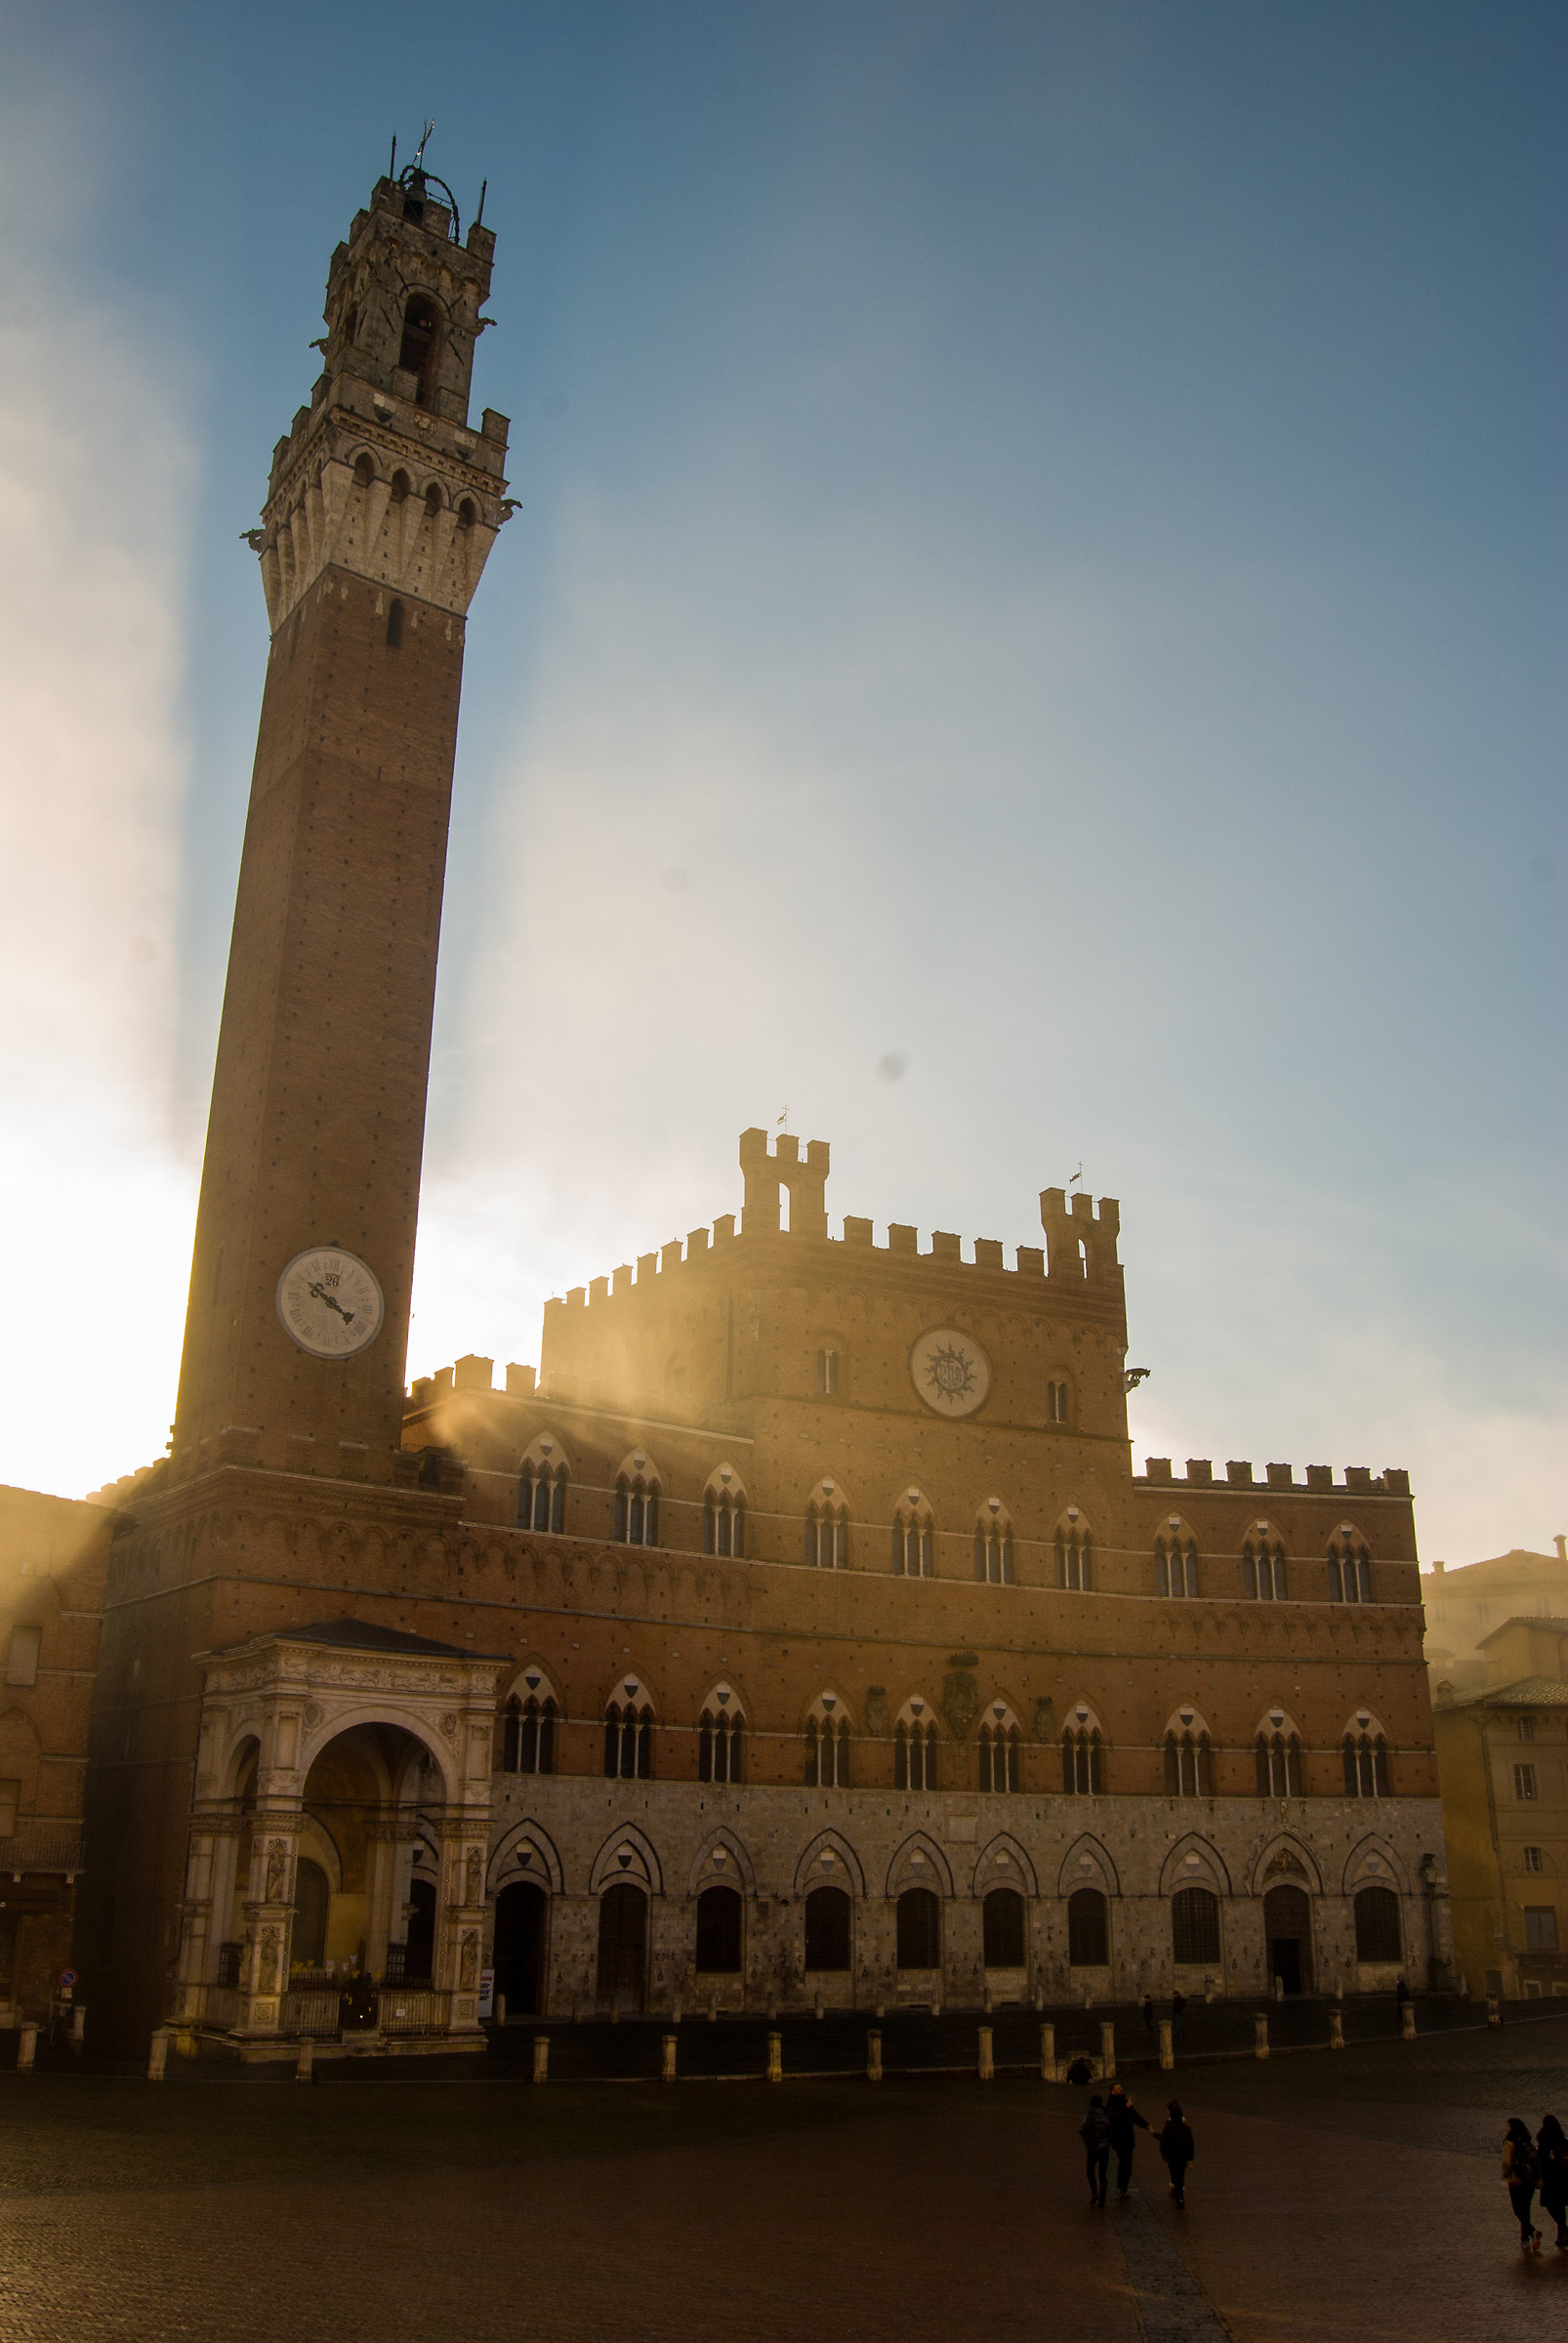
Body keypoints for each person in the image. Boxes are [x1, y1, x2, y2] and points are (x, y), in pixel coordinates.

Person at [1503, 2117, 1542, 2254]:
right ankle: (1525, 2239)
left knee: (1518, 2211)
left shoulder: (1509, 2142)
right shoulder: (1527, 2142)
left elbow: (1507, 2162)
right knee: (1525, 2209)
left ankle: (1532, 2232)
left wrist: (1505, 2174)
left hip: (1516, 2180)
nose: (1507, 2129)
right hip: (1529, 2181)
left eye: (1508, 2126)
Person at [1105, 2081, 1150, 2199]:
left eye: (1120, 2088)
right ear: (1112, 2091)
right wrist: (1126, 2108)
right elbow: (1113, 2118)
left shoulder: (1125, 2103)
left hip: (1128, 2138)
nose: (1120, 2090)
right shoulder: (1111, 2105)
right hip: (1118, 2139)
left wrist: (1146, 2125)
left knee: (1128, 2164)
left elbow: (1135, 2117)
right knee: (1124, 2162)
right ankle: (1121, 2187)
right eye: (1117, 2088)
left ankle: (1123, 2188)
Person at [1537, 2115, 1568, 2251]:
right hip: (1563, 2179)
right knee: (1560, 2207)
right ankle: (1562, 2234)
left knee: (1552, 2206)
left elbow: (1540, 2161)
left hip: (1550, 2179)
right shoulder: (1562, 2140)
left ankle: (1563, 2231)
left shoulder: (1544, 2141)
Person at [1159, 2100, 1196, 2208]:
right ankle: (1180, 2196)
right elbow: (1190, 2144)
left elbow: (1163, 2142)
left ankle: (1176, 2190)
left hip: (1171, 2156)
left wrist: (1164, 2154)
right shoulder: (1186, 2129)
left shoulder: (1168, 2128)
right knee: (1181, 2175)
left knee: (1174, 2174)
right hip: (1182, 2157)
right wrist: (1190, 2157)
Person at [1080, 2094, 1111, 2207]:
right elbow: (1110, 2129)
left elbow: (1082, 2130)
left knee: (1090, 2171)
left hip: (1093, 2147)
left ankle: (1094, 2193)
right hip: (1104, 2147)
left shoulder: (1089, 2115)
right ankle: (1102, 2199)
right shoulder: (1105, 2114)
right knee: (1103, 2174)